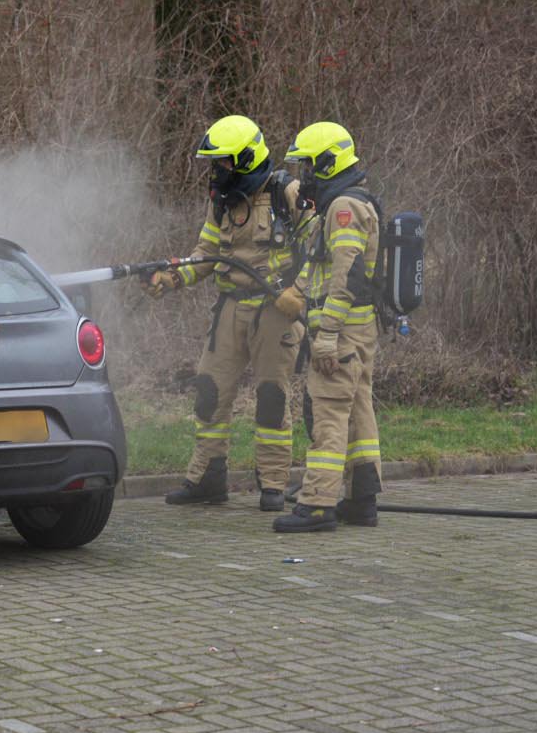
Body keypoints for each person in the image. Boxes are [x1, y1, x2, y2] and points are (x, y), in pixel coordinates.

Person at [147, 115, 311, 512]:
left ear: (247, 159)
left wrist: (299, 294)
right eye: (214, 163)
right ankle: (207, 478)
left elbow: (319, 253)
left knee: (271, 396)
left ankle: (272, 485)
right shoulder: (221, 200)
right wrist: (174, 278)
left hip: (275, 311)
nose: (216, 171)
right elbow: (206, 253)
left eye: (223, 163)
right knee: (209, 392)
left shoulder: (286, 193)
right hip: (230, 309)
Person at [273, 121, 383, 533]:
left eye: (308, 168)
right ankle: (362, 500)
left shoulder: (343, 209)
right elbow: (320, 269)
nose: (303, 179)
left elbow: (347, 276)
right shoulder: (343, 205)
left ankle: (318, 504)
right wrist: (295, 293)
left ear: (326, 164)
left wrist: (328, 334)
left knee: (330, 413)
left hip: (342, 334)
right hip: (357, 331)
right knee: (358, 411)